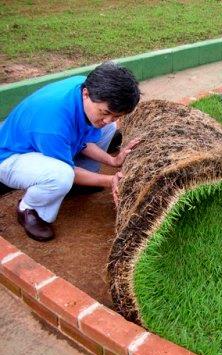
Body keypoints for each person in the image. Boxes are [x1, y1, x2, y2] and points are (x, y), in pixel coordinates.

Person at [0, 62, 141, 242]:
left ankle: (77, 186)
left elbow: (80, 140)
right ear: (85, 94)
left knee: (108, 128)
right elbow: (68, 168)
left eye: (116, 115)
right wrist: (110, 180)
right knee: (61, 175)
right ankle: (29, 209)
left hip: (44, 146)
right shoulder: (53, 125)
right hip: (10, 158)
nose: (108, 118)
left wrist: (112, 161)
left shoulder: (87, 87)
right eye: (105, 112)